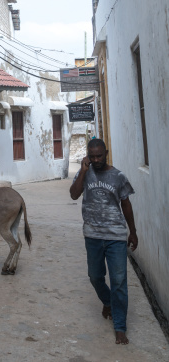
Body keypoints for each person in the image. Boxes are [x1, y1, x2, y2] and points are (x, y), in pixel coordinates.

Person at [69, 138, 138, 345]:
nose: (96, 159)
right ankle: (107, 302)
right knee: (95, 277)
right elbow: (73, 195)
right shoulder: (85, 172)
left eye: (100, 155)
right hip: (92, 235)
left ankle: (120, 327)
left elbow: (126, 205)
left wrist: (132, 232)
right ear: (88, 156)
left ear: (106, 153)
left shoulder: (118, 176)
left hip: (115, 236)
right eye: (92, 156)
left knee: (119, 282)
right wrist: (83, 171)